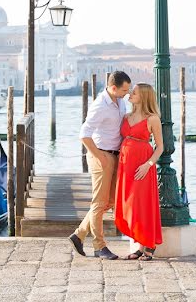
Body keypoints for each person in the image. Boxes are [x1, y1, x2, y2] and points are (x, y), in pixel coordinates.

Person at [69, 70, 131, 260]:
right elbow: (84, 134)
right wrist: (98, 156)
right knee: (99, 202)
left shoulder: (119, 101)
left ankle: (79, 235)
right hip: (101, 155)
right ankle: (99, 246)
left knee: (111, 201)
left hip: (115, 155)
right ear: (113, 88)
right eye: (124, 90)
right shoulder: (100, 105)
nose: (126, 94)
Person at [114, 83, 163, 260]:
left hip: (142, 166)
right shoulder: (126, 116)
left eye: (133, 93)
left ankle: (149, 244)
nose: (130, 95)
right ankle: (139, 244)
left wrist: (148, 164)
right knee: (130, 205)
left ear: (143, 96)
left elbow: (160, 147)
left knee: (142, 204)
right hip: (126, 164)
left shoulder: (152, 119)